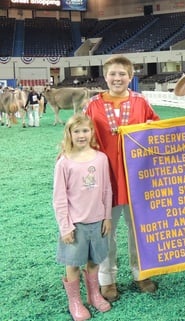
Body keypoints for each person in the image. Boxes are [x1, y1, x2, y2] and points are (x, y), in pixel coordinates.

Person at [83, 55, 160, 302]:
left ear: (131, 76)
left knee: (139, 228)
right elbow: (81, 136)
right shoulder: (93, 105)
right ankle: (107, 279)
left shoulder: (141, 102)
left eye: (122, 74)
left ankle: (142, 273)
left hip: (139, 177)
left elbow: (158, 129)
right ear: (105, 77)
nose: (117, 78)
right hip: (106, 180)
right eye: (112, 74)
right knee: (107, 230)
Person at [53, 113, 113, 321]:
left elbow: (106, 190)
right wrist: (65, 227)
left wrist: (107, 217)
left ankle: (94, 295)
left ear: (92, 132)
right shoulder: (64, 162)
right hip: (75, 224)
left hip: (97, 221)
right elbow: (59, 198)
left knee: (94, 260)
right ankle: (75, 301)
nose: (81, 135)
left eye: (85, 130)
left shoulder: (101, 158)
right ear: (69, 133)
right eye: (76, 131)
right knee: (73, 263)